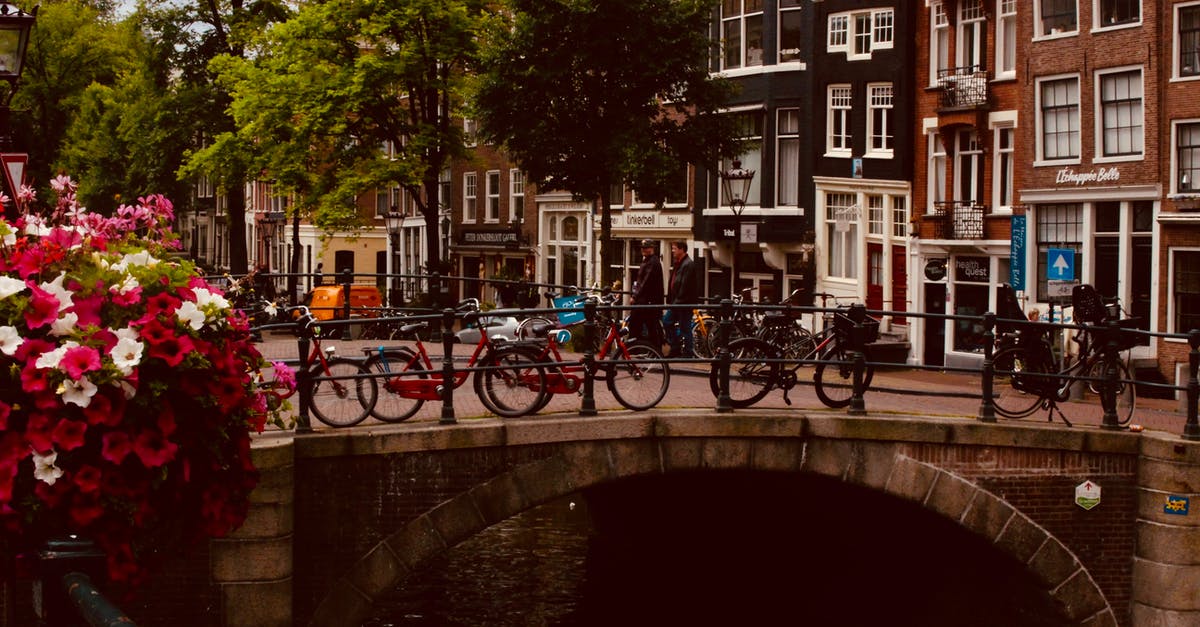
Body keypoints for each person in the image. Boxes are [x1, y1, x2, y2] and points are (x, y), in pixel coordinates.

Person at [663, 241, 699, 358]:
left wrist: (677, 301)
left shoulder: (688, 265)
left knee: (684, 327)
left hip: (683, 302)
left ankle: (687, 352)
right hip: (677, 302)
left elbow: (685, 285)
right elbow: (674, 282)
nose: (672, 251)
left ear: (682, 249)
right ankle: (676, 348)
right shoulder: (678, 263)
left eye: (674, 249)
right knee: (668, 322)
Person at [628, 239, 664, 347]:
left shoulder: (652, 262)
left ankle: (639, 348)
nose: (643, 249)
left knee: (640, 324)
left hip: (647, 301)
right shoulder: (648, 261)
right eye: (642, 248)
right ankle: (641, 348)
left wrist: (635, 296)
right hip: (646, 301)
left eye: (646, 247)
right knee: (646, 325)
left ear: (652, 248)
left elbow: (645, 282)